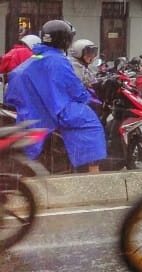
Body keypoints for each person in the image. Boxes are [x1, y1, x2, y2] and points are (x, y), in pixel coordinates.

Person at [5, 20, 106, 173]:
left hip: (31, 108)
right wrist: (85, 97)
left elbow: (16, 77)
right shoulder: (58, 60)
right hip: (52, 109)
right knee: (91, 123)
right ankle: (92, 170)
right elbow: (74, 89)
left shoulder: (37, 57)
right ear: (65, 40)